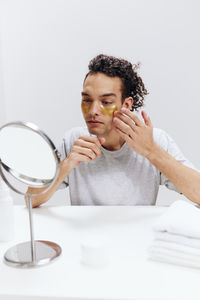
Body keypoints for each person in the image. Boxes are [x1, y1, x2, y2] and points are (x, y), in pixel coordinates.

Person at [28, 54, 200, 207]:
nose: (93, 110)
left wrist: (151, 151)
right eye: (87, 100)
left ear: (126, 105)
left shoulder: (154, 140)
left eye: (106, 102)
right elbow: (31, 199)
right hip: (86, 238)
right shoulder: (74, 140)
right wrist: (66, 166)